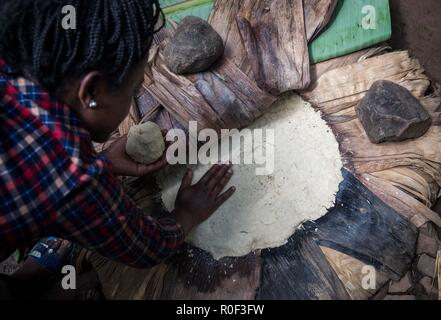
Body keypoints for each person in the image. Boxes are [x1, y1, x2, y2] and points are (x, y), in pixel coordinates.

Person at [0, 0, 236, 297]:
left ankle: (22, 278)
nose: (132, 100)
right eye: (133, 90)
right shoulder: (77, 180)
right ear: (92, 93)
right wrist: (187, 212)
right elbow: (147, 249)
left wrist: (102, 161)